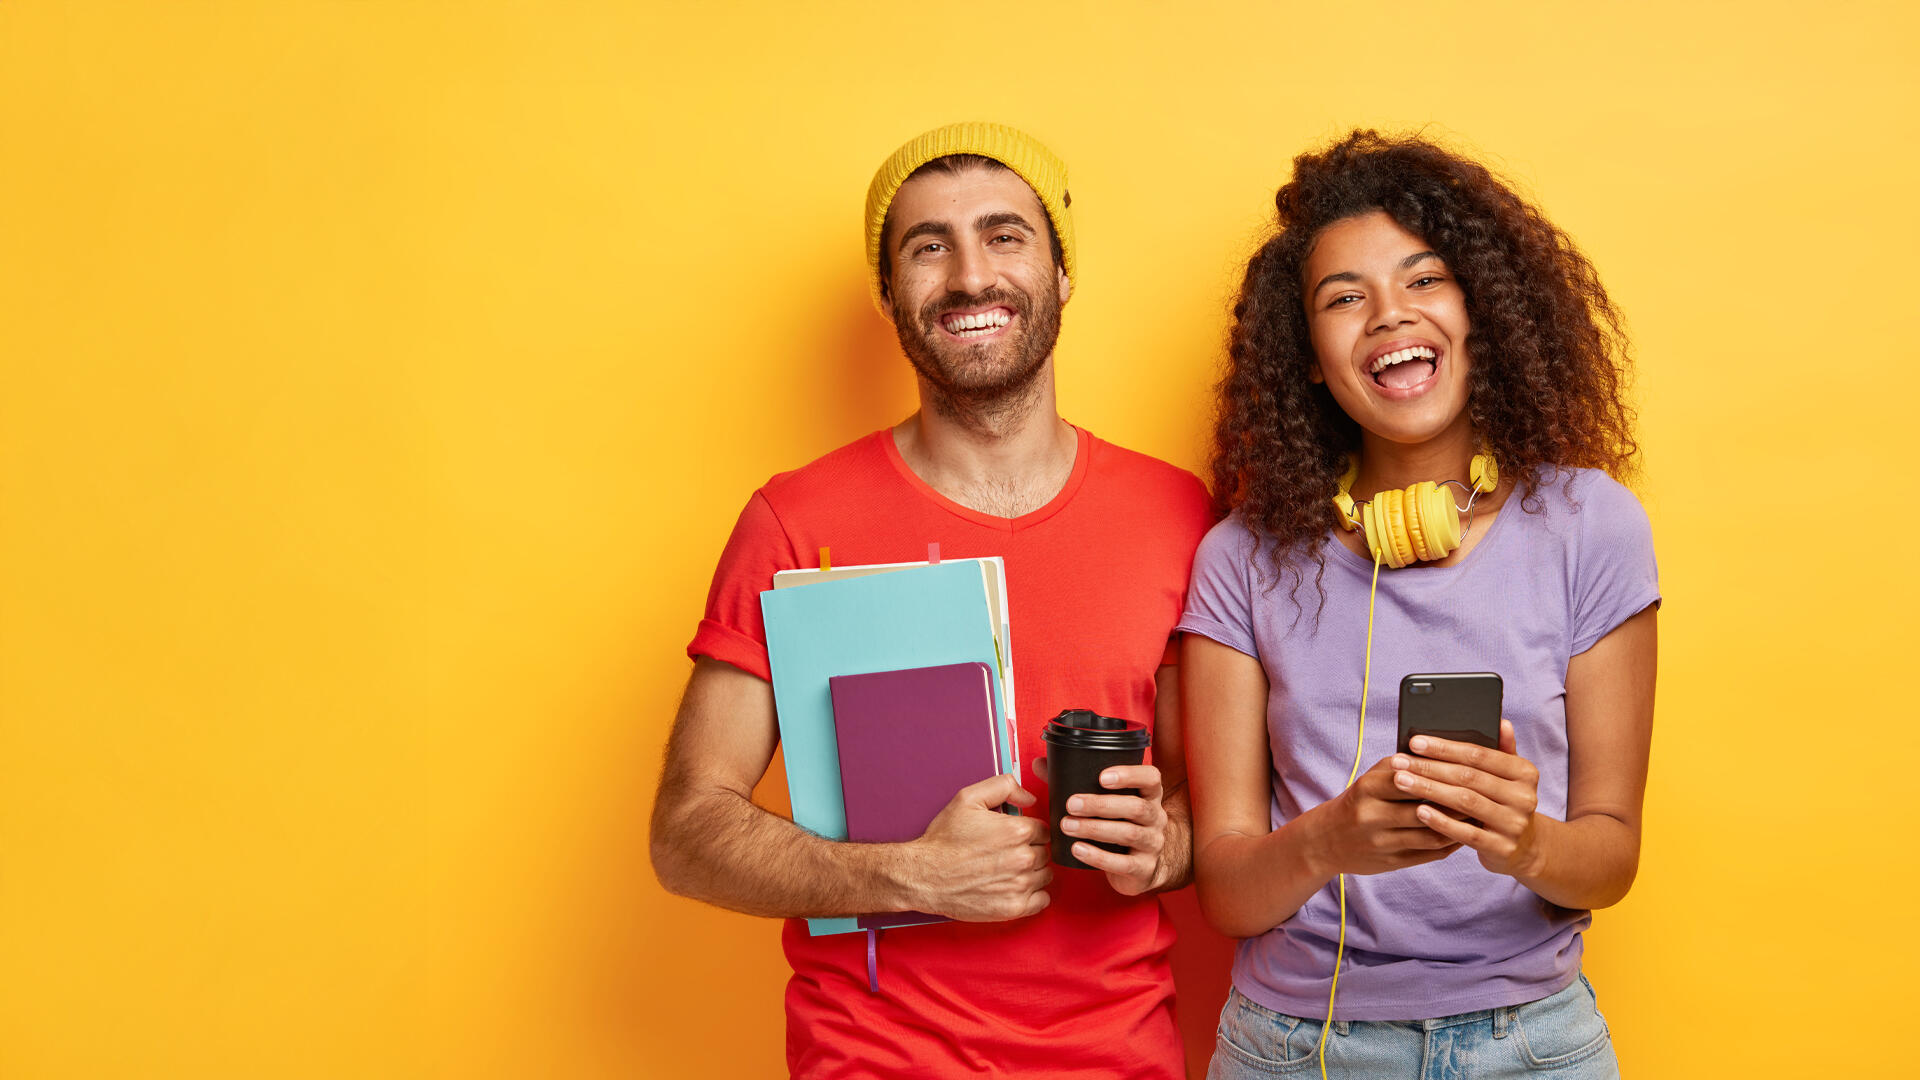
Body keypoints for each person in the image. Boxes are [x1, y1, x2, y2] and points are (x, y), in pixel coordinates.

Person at [650, 122, 1213, 1079]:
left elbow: (1219, 806)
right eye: (927, 246)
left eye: (1005, 235)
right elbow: (686, 832)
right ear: (889, 296)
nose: (969, 277)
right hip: (872, 1058)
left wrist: (1167, 847)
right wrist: (905, 873)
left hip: (1119, 1056)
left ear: (1062, 272)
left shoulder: (1178, 515)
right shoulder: (794, 520)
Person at [1177, 130, 1658, 1079]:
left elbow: (1612, 857)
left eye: (1424, 280)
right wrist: (1327, 841)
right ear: (1310, 358)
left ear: (1482, 310)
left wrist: (1524, 843)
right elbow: (1227, 895)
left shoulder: (1591, 525)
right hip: (1296, 1047)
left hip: (1531, 1040)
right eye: (1344, 299)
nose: (1388, 316)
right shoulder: (1239, 559)